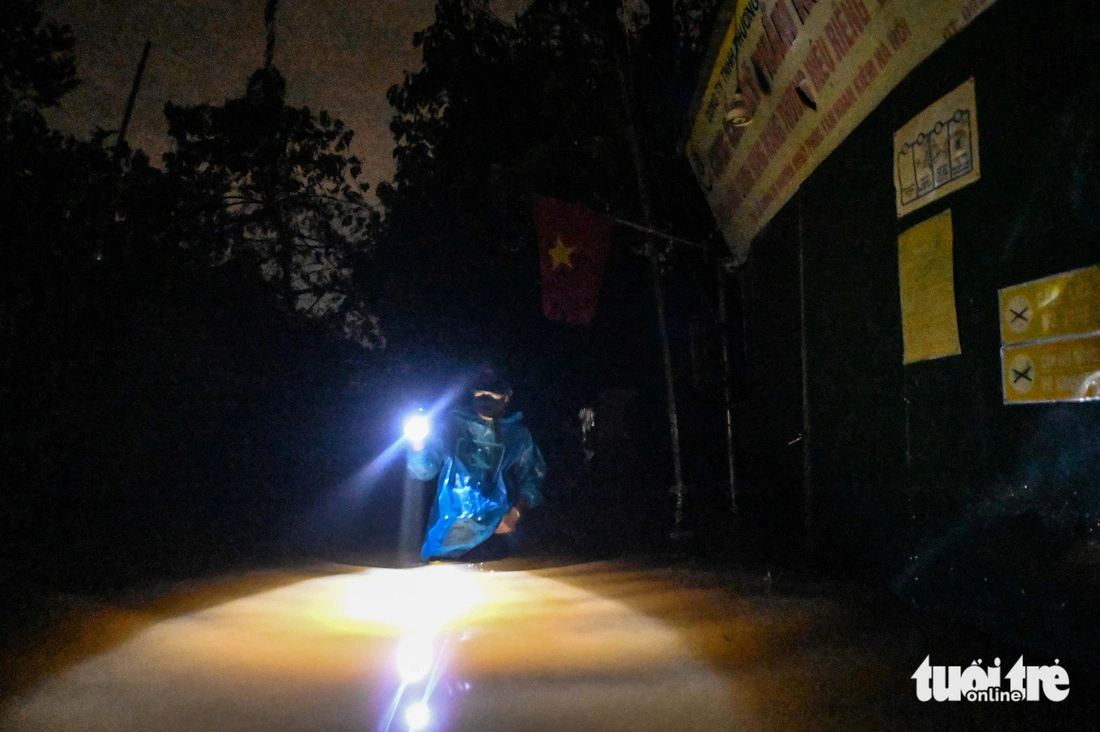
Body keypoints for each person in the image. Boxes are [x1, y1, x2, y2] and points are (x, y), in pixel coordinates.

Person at [407, 368, 546, 561]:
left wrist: (515, 513)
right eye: (480, 394)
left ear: (506, 397)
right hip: (450, 532)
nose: (485, 400)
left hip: (498, 530)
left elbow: (532, 478)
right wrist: (418, 443)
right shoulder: (452, 426)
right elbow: (422, 471)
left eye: (492, 394)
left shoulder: (517, 435)